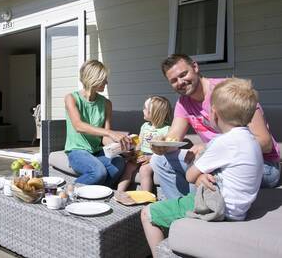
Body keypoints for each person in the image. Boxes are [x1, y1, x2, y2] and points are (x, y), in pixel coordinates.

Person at [142, 78, 264, 257]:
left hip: (218, 208)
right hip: (239, 209)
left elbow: (191, 176)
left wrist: (196, 164)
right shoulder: (251, 140)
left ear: (214, 114)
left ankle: (162, 253)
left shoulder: (222, 142)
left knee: (148, 213)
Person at [151, 54, 280, 199]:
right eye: (173, 80)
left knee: (203, 172)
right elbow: (173, 138)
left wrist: (209, 147)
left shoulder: (228, 92)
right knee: (158, 160)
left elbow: (265, 143)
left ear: (195, 67)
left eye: (183, 74)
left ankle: (197, 205)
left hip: (262, 164)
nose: (180, 82)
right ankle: (181, 211)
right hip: (215, 159)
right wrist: (161, 145)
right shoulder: (183, 103)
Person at [64, 60, 129, 187]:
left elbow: (105, 139)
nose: (107, 82)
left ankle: (97, 193)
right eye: (104, 79)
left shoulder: (106, 103)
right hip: (77, 151)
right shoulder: (71, 98)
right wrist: (111, 133)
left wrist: (121, 149)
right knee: (98, 172)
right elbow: (78, 126)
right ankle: (70, 191)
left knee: (119, 163)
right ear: (93, 79)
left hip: (97, 151)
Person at [117, 96, 172, 192]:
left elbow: (166, 150)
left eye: (145, 108)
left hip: (155, 157)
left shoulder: (167, 129)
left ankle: (145, 197)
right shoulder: (145, 126)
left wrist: (151, 158)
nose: (143, 110)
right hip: (141, 154)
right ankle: (119, 192)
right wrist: (135, 153)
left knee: (144, 170)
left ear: (154, 113)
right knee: (128, 167)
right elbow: (140, 142)